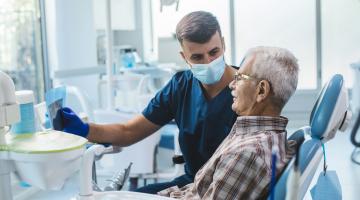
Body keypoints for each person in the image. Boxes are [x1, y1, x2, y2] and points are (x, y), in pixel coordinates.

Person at [59, 11, 238, 194]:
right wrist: (84, 129)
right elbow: (129, 131)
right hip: (191, 182)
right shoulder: (180, 87)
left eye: (214, 52)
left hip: (230, 187)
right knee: (136, 195)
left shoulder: (248, 90)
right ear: (184, 57)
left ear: (223, 44)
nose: (208, 62)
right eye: (197, 57)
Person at [158, 46, 299, 200]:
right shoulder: (261, 137)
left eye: (239, 78)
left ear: (261, 91)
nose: (231, 84)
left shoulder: (247, 153)